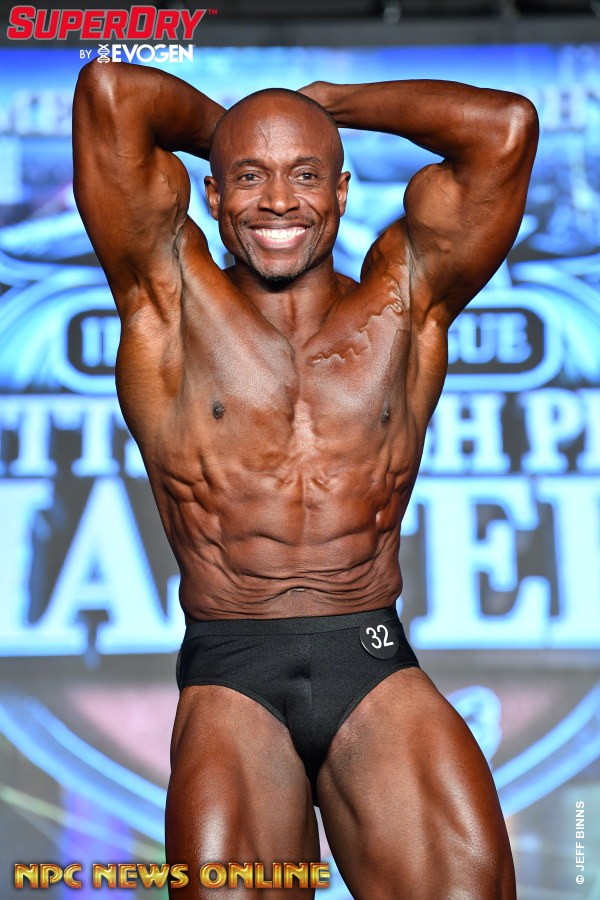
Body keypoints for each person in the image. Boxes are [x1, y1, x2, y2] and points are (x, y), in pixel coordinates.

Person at [73, 60, 538, 899]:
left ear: (343, 190)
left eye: (306, 176)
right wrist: (238, 125)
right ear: (213, 195)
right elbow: (111, 93)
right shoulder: (168, 300)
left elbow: (504, 129)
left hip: (369, 656)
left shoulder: (406, 299)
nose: (280, 202)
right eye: (250, 177)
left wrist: (330, 105)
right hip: (233, 669)